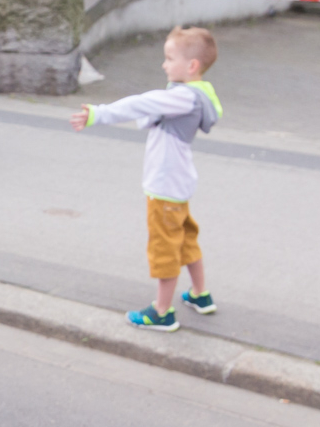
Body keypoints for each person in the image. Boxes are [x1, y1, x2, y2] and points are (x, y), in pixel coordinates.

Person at [70, 27, 220, 332]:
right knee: (186, 240)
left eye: (169, 58)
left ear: (191, 66)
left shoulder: (181, 97)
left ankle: (162, 312)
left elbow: (141, 103)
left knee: (164, 249)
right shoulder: (198, 94)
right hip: (178, 184)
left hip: (165, 187)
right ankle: (200, 295)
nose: (164, 65)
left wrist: (98, 114)